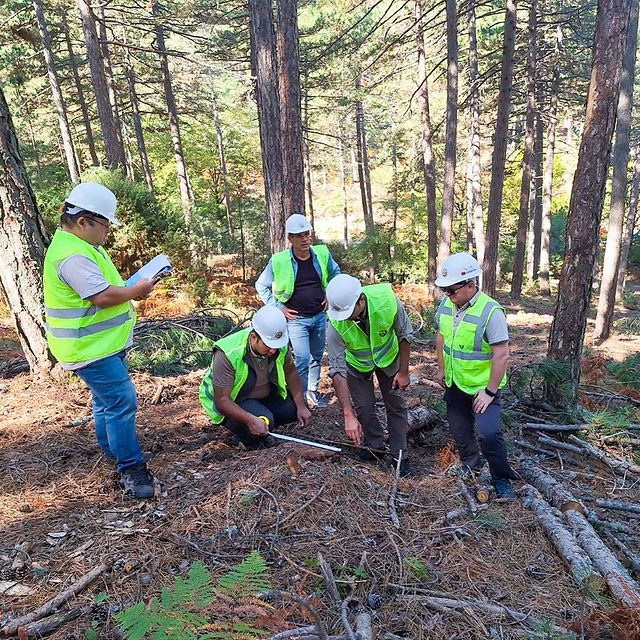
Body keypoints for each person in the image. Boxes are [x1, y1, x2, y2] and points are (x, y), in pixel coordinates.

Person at [43, 183, 158, 499]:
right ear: (83, 222)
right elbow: (102, 295)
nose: (108, 232)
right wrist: (138, 290)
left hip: (102, 344)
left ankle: (113, 450)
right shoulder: (71, 255)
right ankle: (131, 469)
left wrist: (133, 284)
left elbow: (107, 287)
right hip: (89, 349)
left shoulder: (83, 246)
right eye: (105, 225)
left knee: (105, 401)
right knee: (122, 402)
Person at [434, 252, 517, 501]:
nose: (448, 294)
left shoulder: (491, 312)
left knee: (488, 433)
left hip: (483, 386)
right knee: (459, 428)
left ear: (471, 285)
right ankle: (471, 463)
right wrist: (441, 368)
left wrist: (490, 391)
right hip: (455, 381)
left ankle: (501, 479)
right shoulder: (447, 306)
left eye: (452, 290)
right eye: (445, 290)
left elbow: (501, 354)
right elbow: (441, 337)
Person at [325, 274, 413, 477]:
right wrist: (348, 413)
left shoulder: (387, 300)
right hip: (357, 364)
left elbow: (404, 335)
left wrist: (404, 372)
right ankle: (374, 447)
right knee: (363, 407)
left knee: (396, 404)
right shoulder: (335, 322)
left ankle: (400, 455)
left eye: (349, 313)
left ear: (361, 301)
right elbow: (337, 369)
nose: (345, 318)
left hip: (388, 357)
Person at [256, 214, 340, 408]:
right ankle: (299, 398)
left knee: (316, 356)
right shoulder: (279, 261)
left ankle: (312, 391)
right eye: (298, 235)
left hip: (319, 315)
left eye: (306, 234)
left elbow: (336, 273)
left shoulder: (322, 254)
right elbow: (261, 285)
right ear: (290, 239)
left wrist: (332, 294)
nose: (304, 239)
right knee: (302, 358)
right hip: (296, 320)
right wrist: (279, 307)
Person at [199, 305, 312, 449]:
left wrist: (301, 405)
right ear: (254, 337)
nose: (273, 350)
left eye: (275, 346)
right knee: (264, 420)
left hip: (263, 396)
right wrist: (250, 419)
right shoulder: (228, 353)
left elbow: (291, 372)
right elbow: (222, 401)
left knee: (294, 409)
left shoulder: (277, 344)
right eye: (268, 346)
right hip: (234, 400)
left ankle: (262, 420)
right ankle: (245, 435)